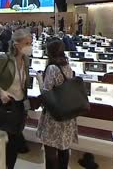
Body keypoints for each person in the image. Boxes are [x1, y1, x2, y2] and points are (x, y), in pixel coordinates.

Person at [0, 29, 31, 169]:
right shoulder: (4, 59)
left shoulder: (26, 59)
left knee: (15, 139)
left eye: (30, 43)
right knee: (9, 142)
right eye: (27, 43)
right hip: (6, 105)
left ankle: (8, 164)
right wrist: (1, 92)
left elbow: (23, 82)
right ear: (17, 44)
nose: (30, 46)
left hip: (20, 105)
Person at [37, 39, 78, 169]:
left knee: (50, 150)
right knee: (63, 148)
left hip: (54, 115)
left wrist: (39, 80)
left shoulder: (52, 68)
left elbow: (46, 93)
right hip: (66, 113)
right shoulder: (67, 66)